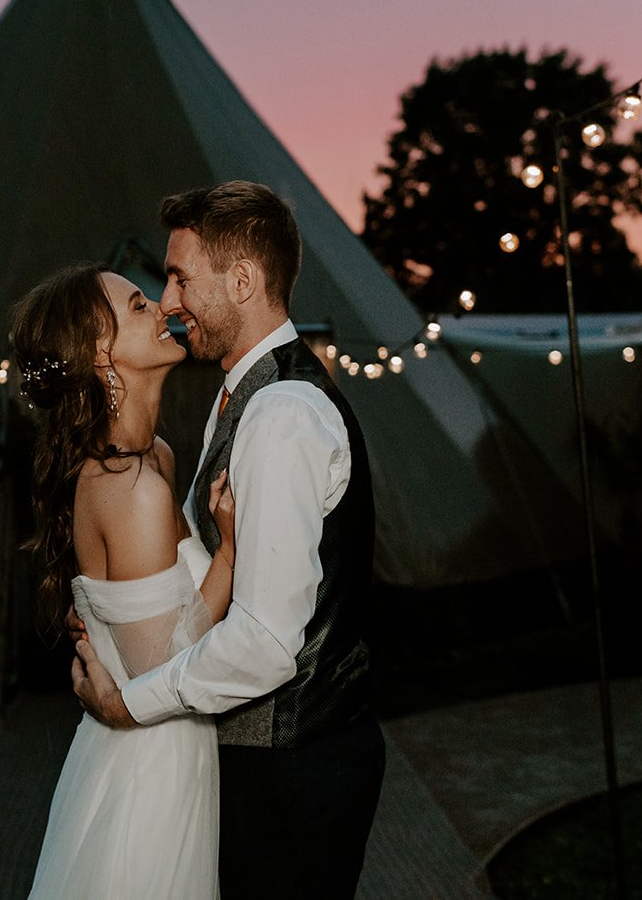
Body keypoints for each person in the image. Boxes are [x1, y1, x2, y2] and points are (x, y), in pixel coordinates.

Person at [71, 180, 385, 896]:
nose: (170, 299)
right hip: (260, 769)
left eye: (181, 277)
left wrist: (133, 701)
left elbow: (268, 644)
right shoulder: (240, 398)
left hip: (293, 774)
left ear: (242, 280)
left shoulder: (280, 413)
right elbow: (188, 575)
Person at [12, 262, 237, 899]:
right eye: (138, 306)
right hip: (151, 775)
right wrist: (233, 550)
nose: (162, 308)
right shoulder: (128, 485)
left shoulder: (155, 456)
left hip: (165, 752)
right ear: (100, 354)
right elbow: (168, 663)